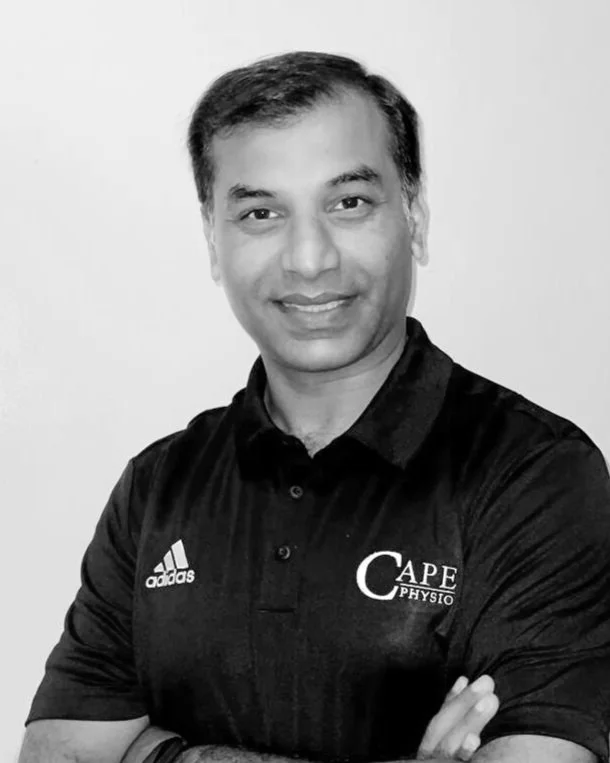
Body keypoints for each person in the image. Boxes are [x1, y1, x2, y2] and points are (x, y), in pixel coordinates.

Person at [19, 51, 610, 763]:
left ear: (415, 217)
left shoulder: (536, 474)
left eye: (348, 203)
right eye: (261, 213)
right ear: (213, 239)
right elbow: (55, 751)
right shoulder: (158, 487)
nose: (308, 258)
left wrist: (155, 754)